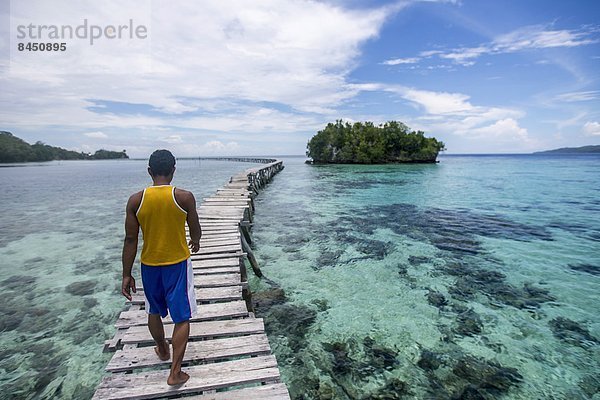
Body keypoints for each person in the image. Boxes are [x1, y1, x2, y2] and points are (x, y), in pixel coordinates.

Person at [121, 149, 202, 385]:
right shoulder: (184, 197)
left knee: (153, 310)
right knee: (182, 317)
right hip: (177, 263)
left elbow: (130, 240)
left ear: (149, 171)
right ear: (173, 171)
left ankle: (162, 349)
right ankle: (175, 373)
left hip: (149, 265)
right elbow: (195, 228)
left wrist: (127, 274)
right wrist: (195, 241)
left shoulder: (136, 200)